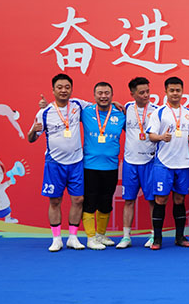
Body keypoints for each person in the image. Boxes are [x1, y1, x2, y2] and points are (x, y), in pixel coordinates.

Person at [28, 74, 86, 252]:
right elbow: (31, 139)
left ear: (71, 89)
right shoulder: (44, 113)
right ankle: (56, 239)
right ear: (53, 90)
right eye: (59, 87)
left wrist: (115, 104)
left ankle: (73, 238)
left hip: (76, 162)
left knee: (78, 199)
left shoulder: (78, 105)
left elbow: (99, 107)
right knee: (55, 201)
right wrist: (33, 130)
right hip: (55, 163)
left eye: (67, 87)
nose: (63, 90)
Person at [146, 76, 189, 250]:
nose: (175, 93)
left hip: (183, 163)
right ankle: (157, 238)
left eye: (178, 90)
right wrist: (161, 137)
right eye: (172, 90)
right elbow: (151, 135)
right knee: (161, 199)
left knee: (179, 199)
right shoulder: (159, 112)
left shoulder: (188, 113)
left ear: (182, 92)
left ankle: (180, 237)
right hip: (164, 163)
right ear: (166, 92)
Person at [80, 81, 126, 250]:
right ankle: (91, 237)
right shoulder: (85, 112)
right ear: (94, 95)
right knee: (90, 202)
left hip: (111, 166)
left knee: (106, 202)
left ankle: (100, 234)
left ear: (112, 95)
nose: (103, 96)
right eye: (100, 93)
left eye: (107, 93)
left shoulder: (120, 114)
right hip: (90, 166)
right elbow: (65, 108)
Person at [118, 77, 158, 249]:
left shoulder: (156, 111)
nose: (146, 95)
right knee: (128, 200)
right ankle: (126, 237)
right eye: (141, 92)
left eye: (148, 91)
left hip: (149, 161)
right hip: (130, 162)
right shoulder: (126, 108)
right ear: (132, 94)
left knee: (152, 201)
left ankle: (154, 235)